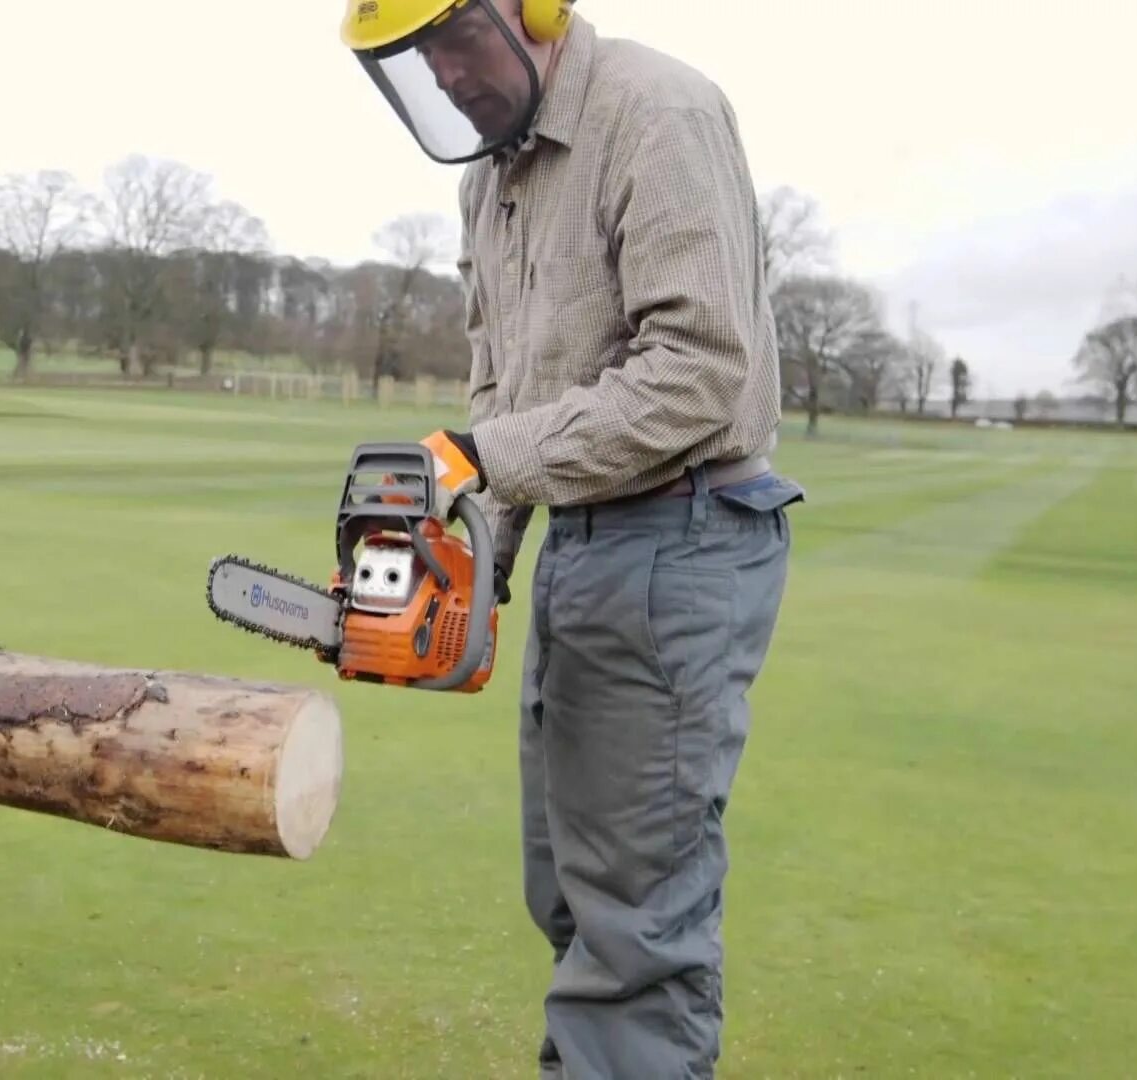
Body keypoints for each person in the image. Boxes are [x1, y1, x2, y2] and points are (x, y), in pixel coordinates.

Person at [340, 2, 806, 1077]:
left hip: (681, 535)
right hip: (586, 546)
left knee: (633, 931)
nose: (443, 76)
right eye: (413, 61)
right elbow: (501, 392)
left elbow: (698, 370)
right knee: (567, 893)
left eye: (451, 40)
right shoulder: (489, 181)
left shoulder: (655, 111)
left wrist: (483, 460)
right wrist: (469, 563)